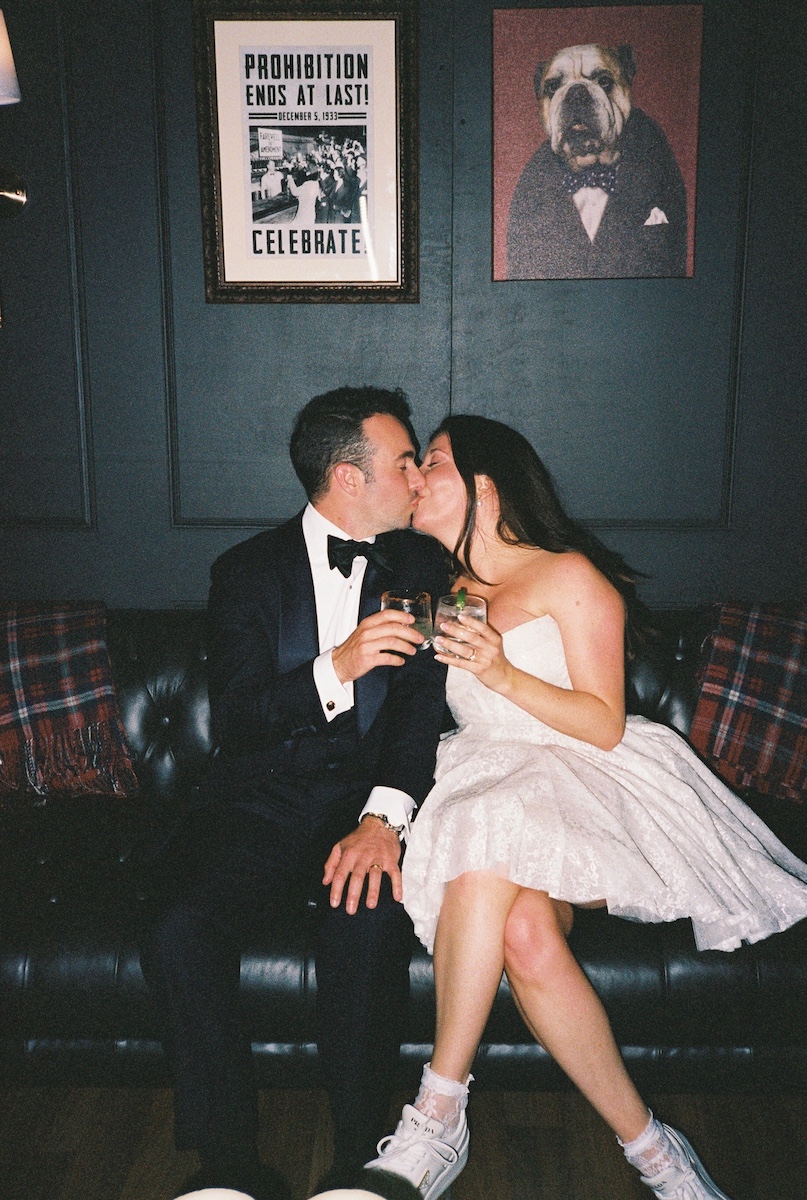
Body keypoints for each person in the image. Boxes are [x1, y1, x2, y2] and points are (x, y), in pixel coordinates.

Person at [365, 414, 807, 1200]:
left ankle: (438, 1108)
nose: (413, 479)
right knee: (527, 934)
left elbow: (602, 722)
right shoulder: (451, 590)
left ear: (485, 485)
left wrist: (501, 675)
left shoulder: (569, 576)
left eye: (429, 462)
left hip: (587, 777)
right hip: (487, 780)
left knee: (487, 825)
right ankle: (654, 1152)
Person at [139, 387, 449, 1200]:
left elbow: (421, 715)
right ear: (348, 478)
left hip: (362, 806)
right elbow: (238, 721)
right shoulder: (244, 572)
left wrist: (384, 819)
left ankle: (355, 1162)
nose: (417, 478)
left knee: (364, 923)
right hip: (256, 803)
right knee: (179, 929)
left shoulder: (423, 566)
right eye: (404, 461)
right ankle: (230, 1165)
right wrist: (334, 667)